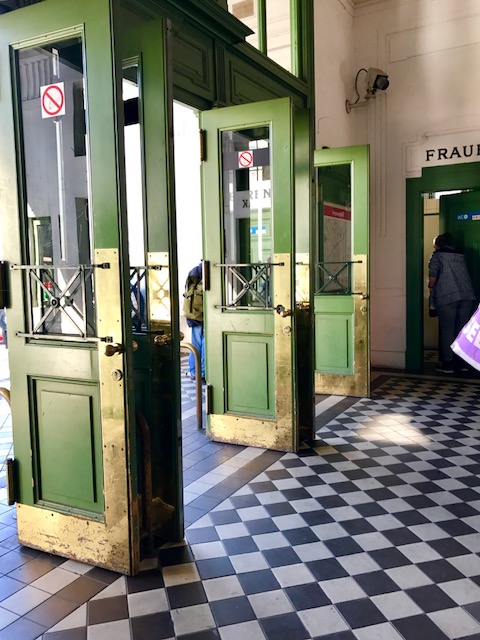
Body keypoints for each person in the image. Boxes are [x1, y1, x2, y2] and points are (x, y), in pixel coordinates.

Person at [428, 232, 476, 373]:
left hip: (447, 295)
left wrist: (430, 289)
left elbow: (433, 278)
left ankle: (448, 363)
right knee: (462, 331)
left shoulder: (437, 256)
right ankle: (462, 363)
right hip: (467, 295)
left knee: (447, 330)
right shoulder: (461, 255)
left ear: (438, 244)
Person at [183, 262, 205, 381]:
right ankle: (203, 372)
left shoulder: (195, 270)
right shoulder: (211, 270)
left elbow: (189, 293)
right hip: (204, 312)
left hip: (195, 313)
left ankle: (194, 371)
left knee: (196, 343)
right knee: (205, 343)